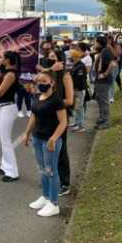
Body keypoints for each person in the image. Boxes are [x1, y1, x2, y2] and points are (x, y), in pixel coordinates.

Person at [23, 71, 68, 217]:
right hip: (37, 138)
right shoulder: (37, 97)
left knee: (51, 171)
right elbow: (33, 116)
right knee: (42, 169)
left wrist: (54, 138)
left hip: (50, 142)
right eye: (39, 81)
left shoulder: (56, 101)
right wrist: (27, 133)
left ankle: (54, 204)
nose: (41, 83)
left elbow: (63, 122)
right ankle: (45, 196)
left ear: (52, 83)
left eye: (44, 81)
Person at [0, 51, 21, 182]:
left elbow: (0, 92)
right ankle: (5, 166)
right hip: (4, 107)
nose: (0, 59)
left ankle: (13, 172)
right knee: (3, 138)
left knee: (6, 140)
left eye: (2, 57)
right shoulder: (6, 72)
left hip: (8, 108)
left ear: (8, 60)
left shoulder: (10, 74)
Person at [48, 49, 74, 196]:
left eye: (53, 57)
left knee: (61, 150)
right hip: (47, 117)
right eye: (49, 57)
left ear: (61, 60)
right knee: (49, 150)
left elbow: (70, 100)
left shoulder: (65, 76)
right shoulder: (48, 76)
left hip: (60, 118)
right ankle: (53, 179)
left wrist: (52, 102)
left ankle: (65, 183)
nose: (51, 59)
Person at [93, 36, 117, 130]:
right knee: (99, 98)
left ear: (99, 43)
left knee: (103, 100)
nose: (94, 44)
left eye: (95, 42)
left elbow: (112, 64)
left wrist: (104, 74)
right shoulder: (103, 51)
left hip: (103, 80)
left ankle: (105, 121)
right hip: (100, 79)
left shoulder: (105, 51)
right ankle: (102, 118)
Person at [69, 46, 88, 133]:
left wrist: (74, 88)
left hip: (79, 90)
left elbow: (79, 80)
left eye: (72, 56)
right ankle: (77, 123)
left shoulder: (80, 66)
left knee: (79, 108)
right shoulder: (76, 65)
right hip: (75, 90)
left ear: (75, 57)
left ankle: (80, 126)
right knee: (76, 107)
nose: (71, 58)